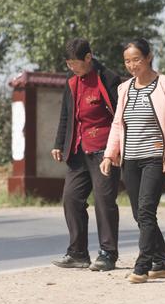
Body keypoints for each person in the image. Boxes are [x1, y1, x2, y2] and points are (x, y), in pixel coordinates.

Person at [100, 38, 165, 283]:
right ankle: (162, 262)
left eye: (136, 59)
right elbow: (117, 124)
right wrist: (109, 154)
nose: (132, 65)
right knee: (139, 214)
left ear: (148, 57)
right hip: (131, 159)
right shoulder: (124, 88)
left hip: (154, 157)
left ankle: (143, 264)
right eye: (127, 61)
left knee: (147, 211)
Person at [51, 38, 122, 271]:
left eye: (76, 63)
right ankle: (78, 253)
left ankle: (108, 253)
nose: (73, 68)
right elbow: (66, 116)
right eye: (69, 64)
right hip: (78, 150)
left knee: (104, 201)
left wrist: (116, 150)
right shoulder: (71, 83)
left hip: (104, 151)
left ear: (89, 58)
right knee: (71, 199)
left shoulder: (108, 79)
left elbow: (120, 115)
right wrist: (59, 143)